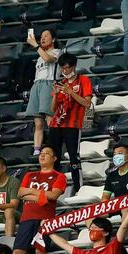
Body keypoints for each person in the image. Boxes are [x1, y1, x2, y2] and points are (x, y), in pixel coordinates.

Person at [12, 145, 67, 254]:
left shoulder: (59, 176)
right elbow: (20, 194)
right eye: (41, 153)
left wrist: (32, 191)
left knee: (40, 253)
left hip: (45, 220)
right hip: (27, 218)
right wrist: (42, 197)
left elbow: (53, 196)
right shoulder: (30, 175)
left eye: (46, 153)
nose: (42, 155)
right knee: (17, 253)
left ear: (54, 158)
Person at [48, 52, 92, 193]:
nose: (65, 71)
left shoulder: (83, 80)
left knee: (74, 157)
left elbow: (87, 103)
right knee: (53, 157)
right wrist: (55, 95)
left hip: (73, 125)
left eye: (67, 68)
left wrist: (71, 92)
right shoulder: (61, 83)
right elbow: (52, 109)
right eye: (62, 69)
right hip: (56, 124)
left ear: (74, 66)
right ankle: (52, 187)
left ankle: (79, 189)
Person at [24, 29, 60, 154]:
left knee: (49, 118)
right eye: (41, 36)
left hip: (48, 83)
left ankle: (53, 146)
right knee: (38, 122)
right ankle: (37, 150)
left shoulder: (57, 52)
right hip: (37, 85)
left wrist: (35, 45)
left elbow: (48, 58)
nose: (42, 38)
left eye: (46, 36)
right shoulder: (39, 57)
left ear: (53, 39)